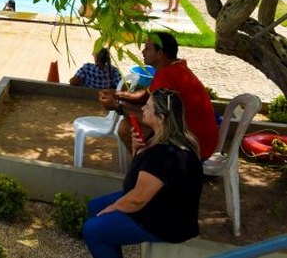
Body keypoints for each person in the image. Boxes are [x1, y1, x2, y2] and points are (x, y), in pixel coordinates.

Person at [83, 89, 203, 258]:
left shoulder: (165, 153)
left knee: (92, 230)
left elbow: (138, 199)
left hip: (163, 221)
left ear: (160, 118)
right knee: (95, 206)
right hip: (158, 202)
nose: (142, 110)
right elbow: (142, 172)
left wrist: (114, 207)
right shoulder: (160, 136)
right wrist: (136, 148)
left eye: (147, 107)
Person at [101, 32, 218, 160]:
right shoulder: (173, 68)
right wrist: (118, 95)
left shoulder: (167, 75)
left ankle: (146, 169)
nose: (142, 52)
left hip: (195, 146)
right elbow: (145, 96)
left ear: (160, 54)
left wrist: (118, 107)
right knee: (131, 117)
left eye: (147, 48)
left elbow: (156, 119)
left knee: (126, 128)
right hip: (198, 139)